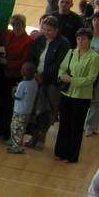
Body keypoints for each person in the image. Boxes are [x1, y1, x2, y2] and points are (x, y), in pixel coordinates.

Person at [54, 28, 99, 163]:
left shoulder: (94, 57)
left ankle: (72, 156)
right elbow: (62, 68)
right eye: (78, 39)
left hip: (81, 97)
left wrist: (72, 80)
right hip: (66, 93)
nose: (80, 41)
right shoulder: (71, 52)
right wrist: (61, 76)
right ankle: (61, 152)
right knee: (64, 124)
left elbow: (91, 79)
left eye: (83, 39)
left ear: (89, 40)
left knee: (76, 126)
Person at [29, 15, 71, 149]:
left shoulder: (63, 43)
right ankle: (33, 136)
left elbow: (59, 64)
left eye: (49, 30)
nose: (46, 32)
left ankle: (41, 138)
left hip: (52, 82)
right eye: (44, 29)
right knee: (34, 108)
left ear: (56, 30)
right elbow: (32, 56)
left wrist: (43, 75)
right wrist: (33, 72)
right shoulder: (40, 39)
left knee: (47, 110)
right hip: (36, 78)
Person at [0, 14, 33, 140]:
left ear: (23, 26)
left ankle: (6, 132)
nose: (16, 28)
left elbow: (24, 61)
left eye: (18, 25)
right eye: (14, 25)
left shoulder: (28, 41)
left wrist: (7, 63)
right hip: (1, 75)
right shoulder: (7, 34)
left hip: (14, 77)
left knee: (9, 105)